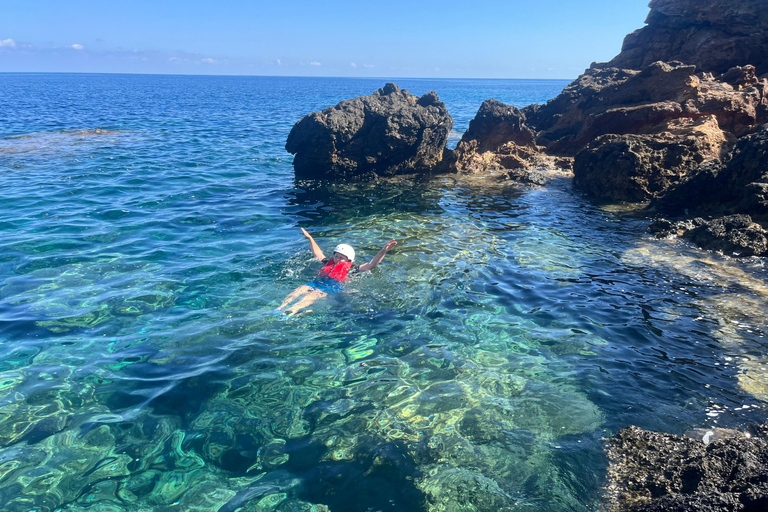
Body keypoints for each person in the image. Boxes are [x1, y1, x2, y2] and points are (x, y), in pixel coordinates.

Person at [277, 228, 398, 317]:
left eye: (341, 257)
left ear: (348, 259)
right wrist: (310, 238)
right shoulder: (327, 263)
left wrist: (383, 251)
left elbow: (372, 264)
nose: (337, 259)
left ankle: (289, 313)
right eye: (336, 256)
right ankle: (280, 308)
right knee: (300, 289)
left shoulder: (352, 269)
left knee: (310, 296)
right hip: (316, 283)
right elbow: (317, 253)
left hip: (329, 288)